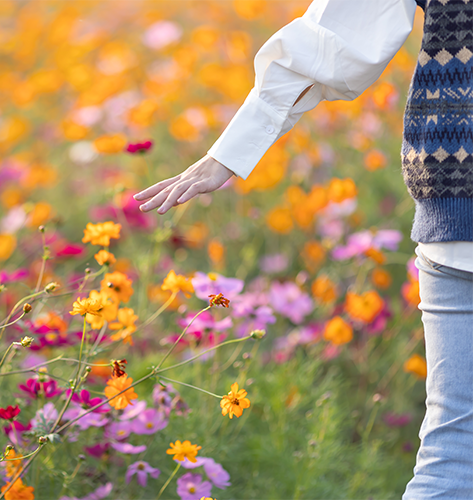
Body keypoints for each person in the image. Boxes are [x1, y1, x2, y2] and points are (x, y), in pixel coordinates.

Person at [134, 0, 473, 497]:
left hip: (457, 207)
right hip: (456, 212)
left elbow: (331, 36)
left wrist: (229, 152)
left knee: (453, 454)